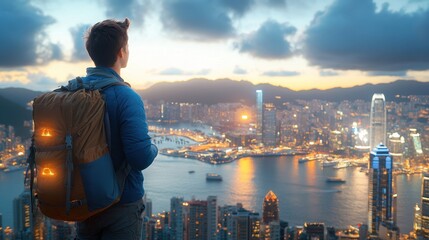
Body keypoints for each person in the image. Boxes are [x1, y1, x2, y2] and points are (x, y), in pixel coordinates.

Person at [75, 18, 158, 240]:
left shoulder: (73, 94)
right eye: (127, 46)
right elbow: (140, 157)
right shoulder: (126, 96)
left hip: (84, 202)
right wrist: (154, 147)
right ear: (122, 52)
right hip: (121, 205)